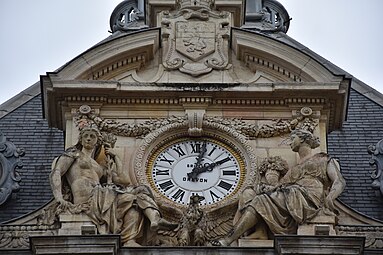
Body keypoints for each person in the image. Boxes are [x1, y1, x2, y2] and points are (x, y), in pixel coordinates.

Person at [212, 129, 346, 246]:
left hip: (309, 196)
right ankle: (258, 232)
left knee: (260, 200)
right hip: (292, 194)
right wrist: (263, 186)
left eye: (293, 138)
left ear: (303, 139)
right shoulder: (294, 170)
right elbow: (278, 187)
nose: (290, 142)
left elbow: (339, 182)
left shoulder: (323, 159)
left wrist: (330, 198)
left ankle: (229, 238)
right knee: (251, 194)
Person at [50, 126, 176, 246]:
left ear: (97, 142)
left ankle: (133, 236)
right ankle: (154, 218)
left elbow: (124, 180)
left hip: (101, 196)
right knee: (132, 197)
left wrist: (116, 157)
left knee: (139, 195)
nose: (88, 138)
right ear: (81, 139)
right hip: (87, 198)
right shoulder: (74, 154)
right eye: (86, 136)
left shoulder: (98, 166)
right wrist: (59, 197)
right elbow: (57, 172)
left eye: (92, 136)